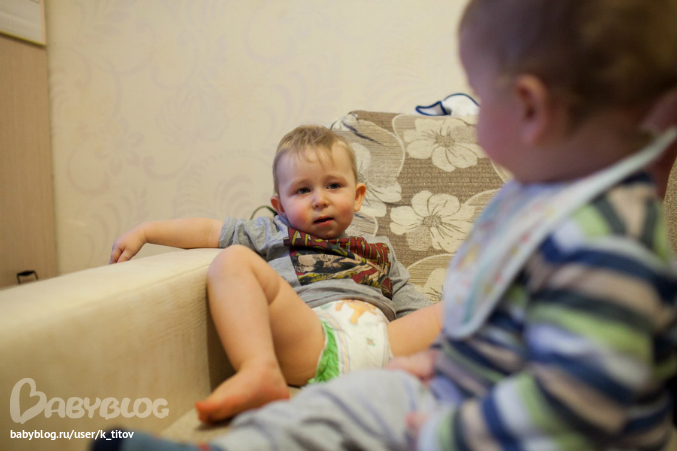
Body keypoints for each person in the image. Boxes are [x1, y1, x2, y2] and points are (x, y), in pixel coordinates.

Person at [93, 0, 677, 450]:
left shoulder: (607, 241)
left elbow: (580, 402)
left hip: (528, 430)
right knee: (342, 404)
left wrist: (449, 428)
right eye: (302, 190)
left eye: (479, 98)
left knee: (383, 388)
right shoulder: (535, 202)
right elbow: (500, 324)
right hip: (367, 353)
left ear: (528, 108)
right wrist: (442, 364)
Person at [109, 125, 442, 423]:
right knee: (232, 259)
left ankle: (455, 381)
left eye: (333, 185)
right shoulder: (271, 232)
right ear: (280, 205)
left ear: (357, 196)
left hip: (387, 345)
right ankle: (259, 370)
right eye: (302, 190)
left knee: (457, 308)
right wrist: (148, 231)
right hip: (313, 339)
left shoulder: (381, 251)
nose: (320, 200)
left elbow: (415, 308)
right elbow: (210, 230)